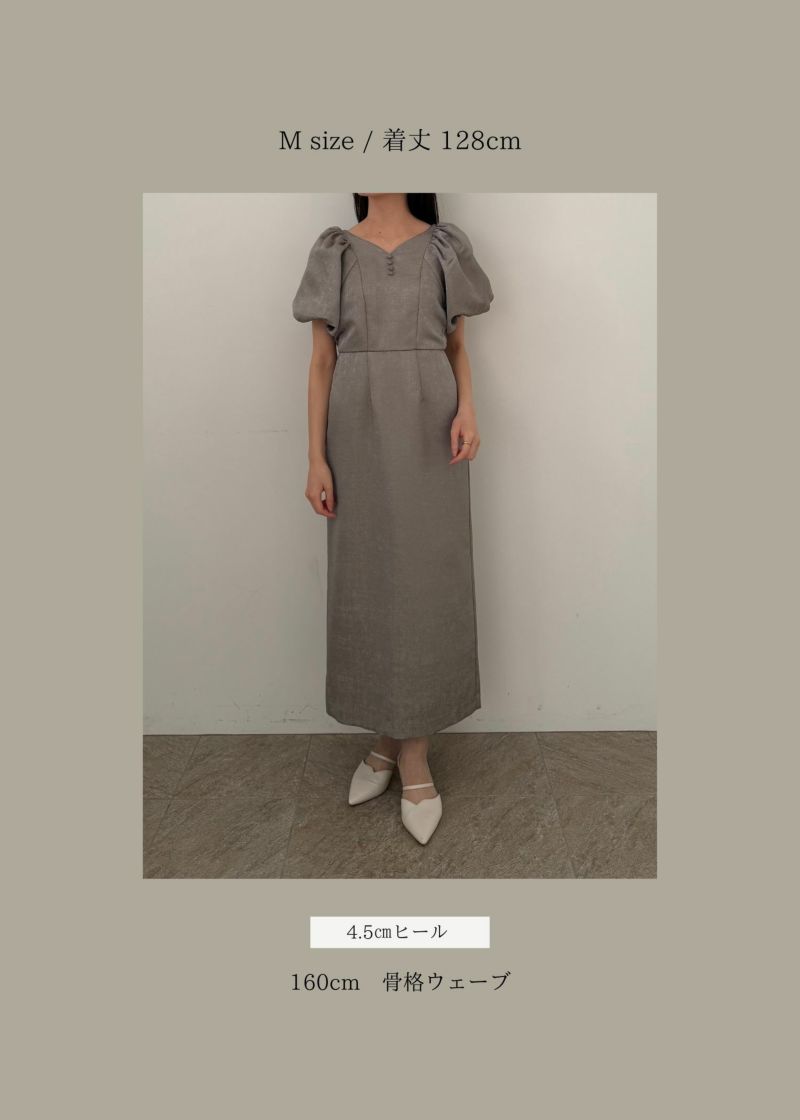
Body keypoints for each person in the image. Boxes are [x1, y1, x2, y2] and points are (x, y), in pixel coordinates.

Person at [292, 193, 493, 844]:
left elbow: (457, 345)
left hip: (431, 427)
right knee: (370, 581)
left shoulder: (443, 245)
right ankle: (386, 736)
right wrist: (316, 458)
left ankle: (411, 755)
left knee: (426, 583)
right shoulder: (334, 250)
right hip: (356, 429)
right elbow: (322, 361)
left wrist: (468, 409)